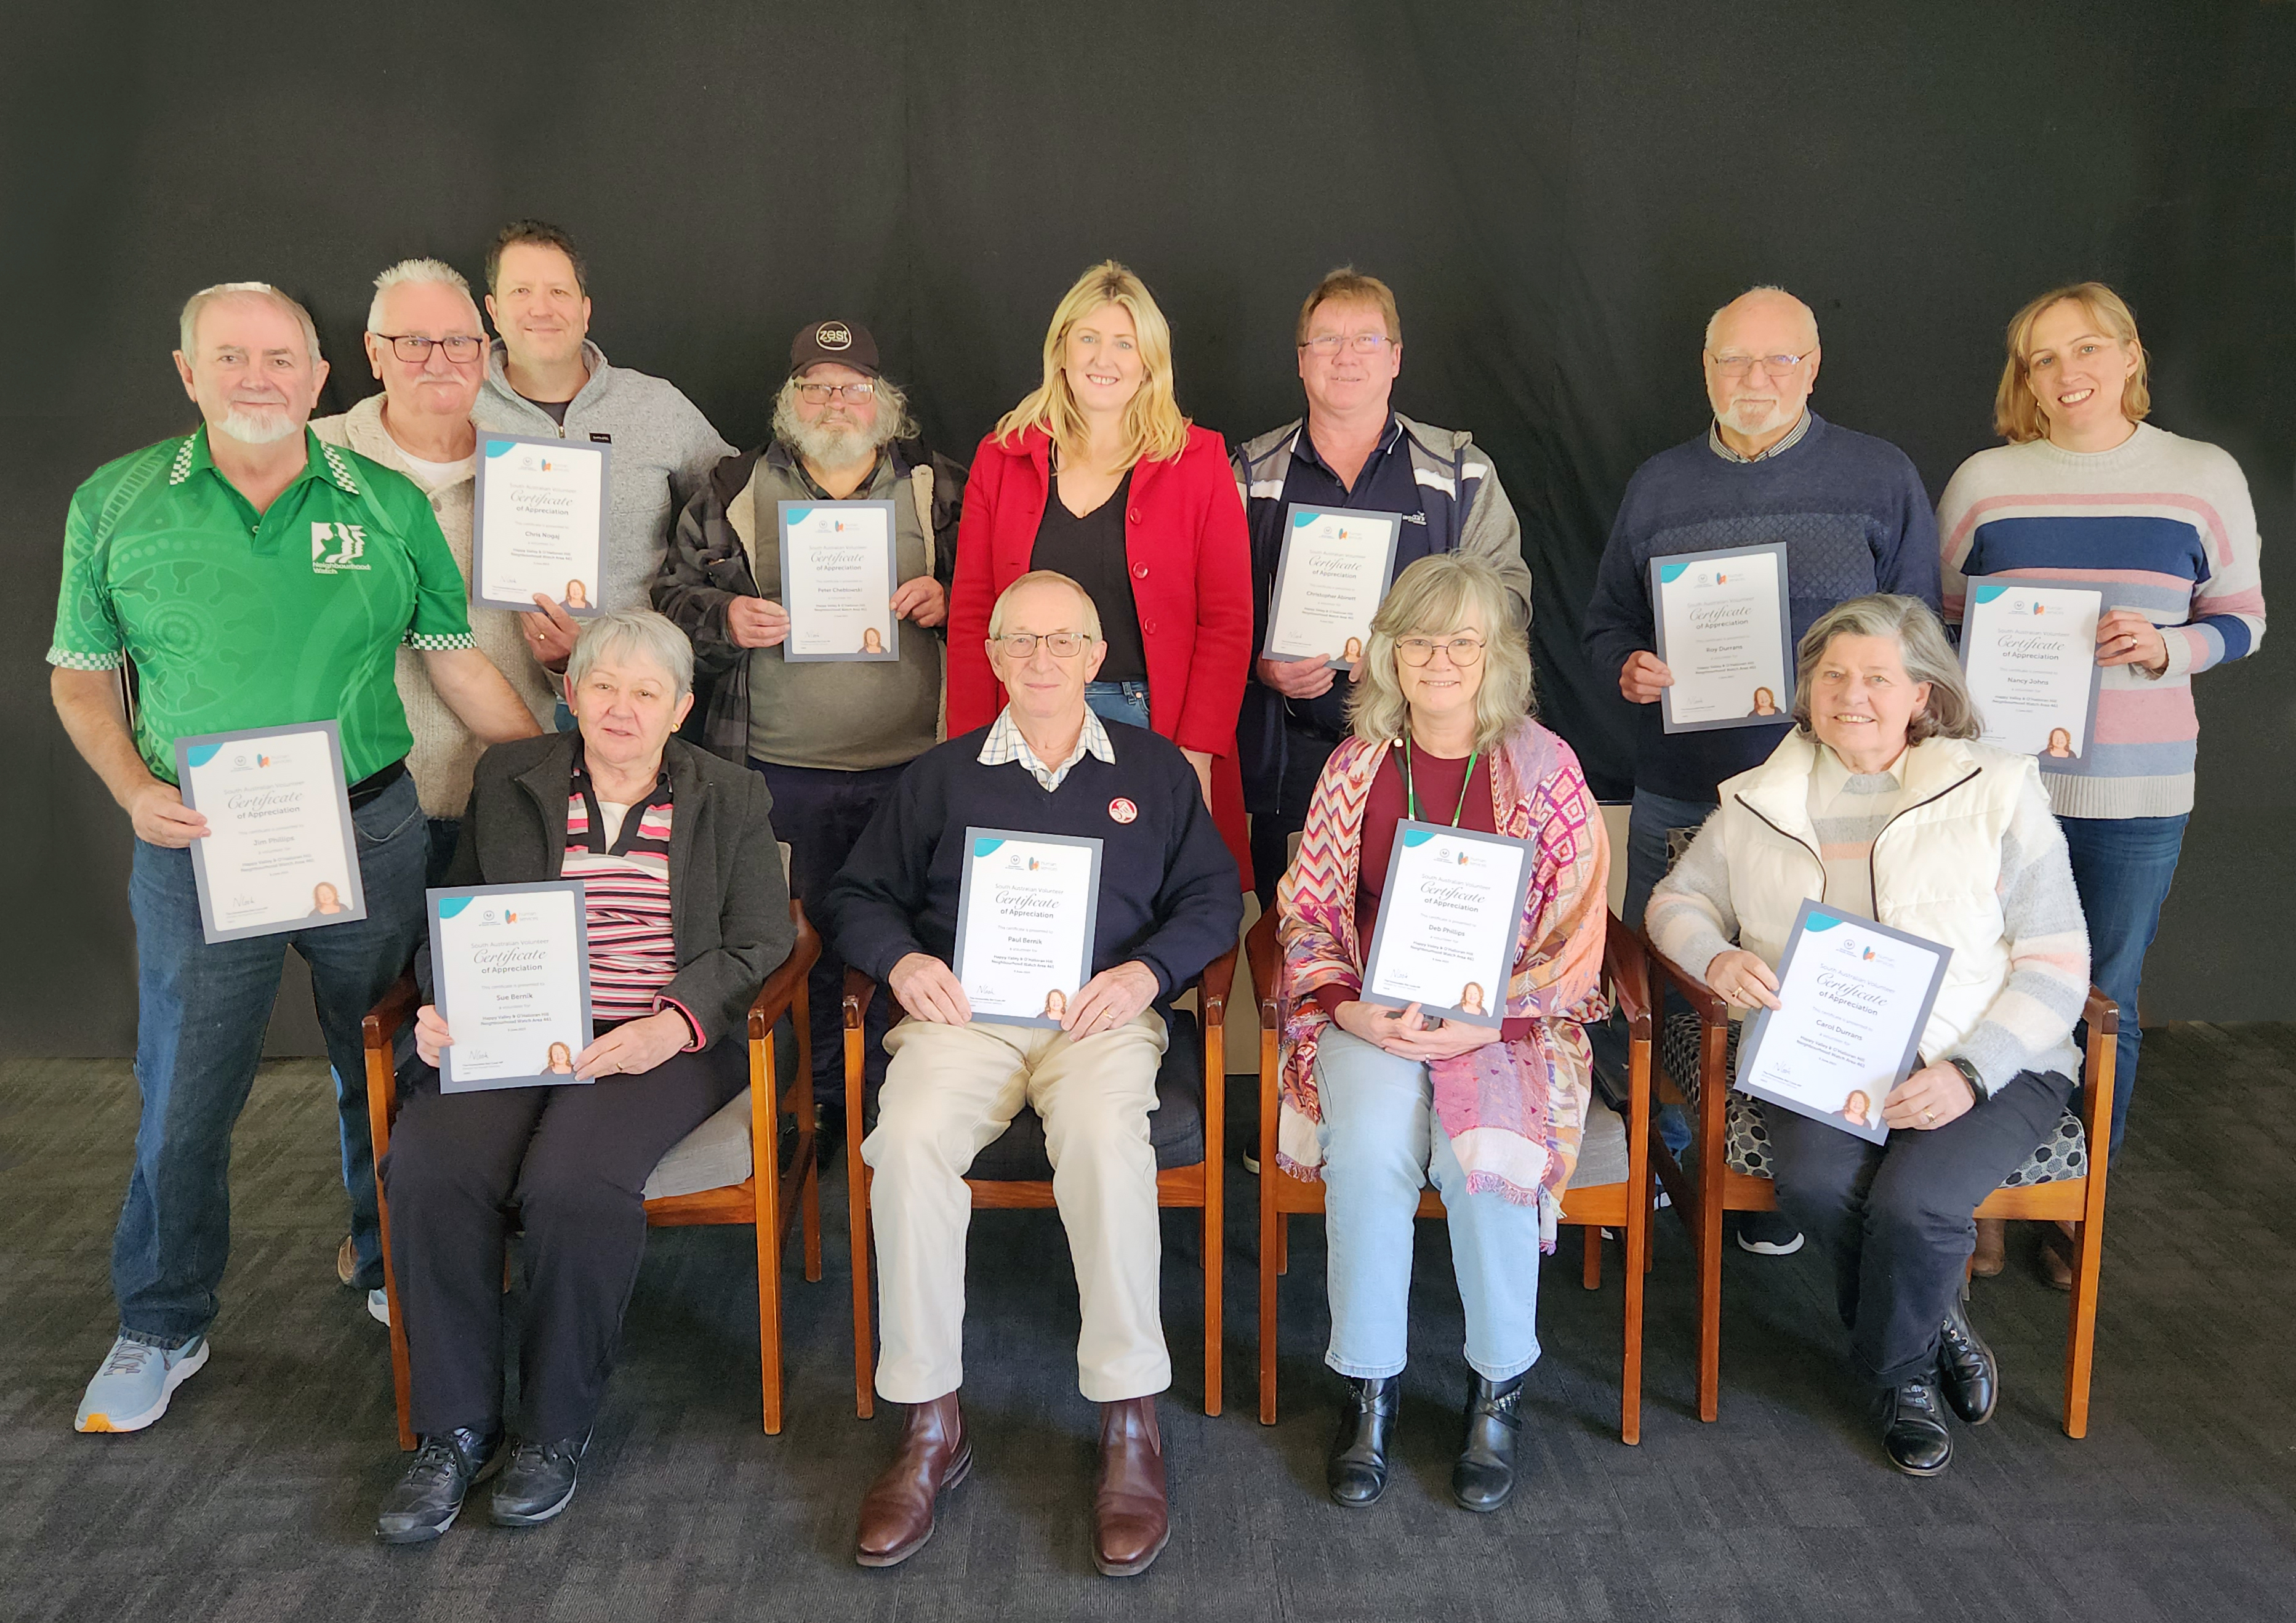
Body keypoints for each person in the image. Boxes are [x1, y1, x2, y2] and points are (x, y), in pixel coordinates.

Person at [52, 281, 544, 1432]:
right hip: (195, 841)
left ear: (324, 378)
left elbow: (457, 663)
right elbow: (81, 674)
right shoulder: (115, 502)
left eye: (282, 359)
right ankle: (160, 1321)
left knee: (381, 1067)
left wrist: (571, 770)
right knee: (183, 1092)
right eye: (232, 358)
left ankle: (390, 1267)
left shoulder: (383, 500)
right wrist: (133, 789)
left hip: (365, 830)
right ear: (188, 372)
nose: (258, 378)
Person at [824, 571, 1242, 1576]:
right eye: (1022, 641)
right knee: (910, 1138)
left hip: (1096, 1019)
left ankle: (1128, 1416)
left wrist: (1144, 974)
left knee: (1105, 1140)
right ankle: (930, 1418)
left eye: (1066, 641)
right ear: (993, 656)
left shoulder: (1157, 770)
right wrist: (905, 961)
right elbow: (855, 895)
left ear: (1099, 658)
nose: (1044, 659)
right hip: (964, 1020)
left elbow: (1215, 899)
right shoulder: (943, 774)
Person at [372, 609, 793, 1542]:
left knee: (572, 1182)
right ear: (570, 694)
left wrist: (673, 1023)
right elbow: (465, 911)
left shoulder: (730, 795)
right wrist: (444, 999)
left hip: (657, 1036)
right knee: (431, 1164)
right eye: (603, 686)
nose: (621, 707)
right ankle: (453, 1431)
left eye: (647, 692)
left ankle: (554, 1432)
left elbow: (763, 939)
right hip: (519, 1021)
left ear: (681, 708)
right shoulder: (509, 778)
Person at [1647, 595, 2091, 1476]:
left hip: (1989, 1057)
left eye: (1877, 678)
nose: (1851, 695)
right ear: (1807, 688)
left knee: (1912, 1206)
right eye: (1833, 675)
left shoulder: (1997, 787)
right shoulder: (1757, 797)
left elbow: (2056, 961)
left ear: (1921, 693)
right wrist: (1716, 958)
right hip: (1824, 1053)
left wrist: (1970, 1071)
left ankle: (1898, 1378)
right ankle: (1938, 1321)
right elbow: (1675, 902)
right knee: (1810, 1185)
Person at [1583, 284, 1941, 1256]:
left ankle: (1777, 1186)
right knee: (1666, 990)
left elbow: (1921, 643)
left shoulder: (1878, 475)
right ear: (1705, 371)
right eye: (1733, 362)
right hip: (1681, 791)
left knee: (1805, 990)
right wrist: (1628, 663)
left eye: (1776, 361)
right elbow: (1605, 620)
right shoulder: (1658, 485)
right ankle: (1669, 1167)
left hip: (1837, 805)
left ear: (1811, 368)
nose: (1753, 380)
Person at [1938, 282, 2265, 1284]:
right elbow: (1944, 624)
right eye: (2045, 357)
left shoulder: (2202, 476)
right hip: (2000, 792)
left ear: (2129, 354)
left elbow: (2245, 619)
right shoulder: (1986, 482)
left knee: (2103, 999)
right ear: (2025, 377)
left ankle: (2083, 1203)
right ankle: (1989, 1196)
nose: (2068, 372)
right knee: (1987, 988)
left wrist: (2168, 647)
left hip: (2136, 794)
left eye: (2087, 349)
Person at [1272, 553, 1609, 1512]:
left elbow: (1577, 936)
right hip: (1371, 1012)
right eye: (1416, 639)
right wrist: (1344, 1004)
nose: (1437, 658)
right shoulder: (1355, 768)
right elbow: (1307, 917)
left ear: (1495, 654)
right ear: (1385, 654)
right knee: (1373, 1146)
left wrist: (1483, 1020)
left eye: (1461, 640)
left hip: (1507, 1024)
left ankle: (1495, 1388)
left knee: (1483, 1158)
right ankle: (1368, 1387)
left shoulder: (1545, 768)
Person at [656, 319, 967, 1118]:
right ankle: (823, 1106)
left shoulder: (941, 487)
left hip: (918, 771)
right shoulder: (732, 489)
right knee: (799, 949)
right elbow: (669, 604)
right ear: (789, 400)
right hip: (775, 774)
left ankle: (911, 1110)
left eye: (852, 387)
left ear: (883, 401)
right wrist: (727, 619)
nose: (835, 403)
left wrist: (955, 604)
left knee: (922, 944)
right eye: (816, 387)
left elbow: (1012, 603)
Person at [944, 261, 1253, 885]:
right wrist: (971, 747)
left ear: (1149, 361)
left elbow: (1227, 620)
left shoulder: (1199, 459)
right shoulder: (1001, 455)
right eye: (1088, 338)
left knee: (1133, 904)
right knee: (1025, 897)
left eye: (1123, 342)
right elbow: (974, 612)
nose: (1103, 357)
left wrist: (1193, 752)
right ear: (1061, 351)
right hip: (1022, 713)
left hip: (1147, 720)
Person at [1234, 268, 1532, 906]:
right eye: (1327, 341)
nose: (1345, 356)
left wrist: (1423, 656)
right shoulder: (1248, 473)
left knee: (1427, 925)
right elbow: (1210, 607)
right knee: (1301, 933)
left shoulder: (1459, 470)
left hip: (1429, 754)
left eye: (1366, 340)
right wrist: (1259, 664)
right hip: (1291, 761)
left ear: (1395, 358)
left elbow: (1508, 596)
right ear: (1300, 360)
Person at [314, 257, 558, 880]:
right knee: (373, 982)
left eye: (459, 341)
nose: (439, 359)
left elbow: (571, 635)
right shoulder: (308, 462)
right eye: (413, 341)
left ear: (483, 351)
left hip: (498, 799)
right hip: (348, 800)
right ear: (373, 351)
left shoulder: (542, 471)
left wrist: (564, 656)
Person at [472, 220, 733, 696]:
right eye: (521, 291)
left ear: (585, 310)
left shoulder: (656, 405)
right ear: (491, 310)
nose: (542, 308)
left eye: (559, 291)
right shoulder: (458, 407)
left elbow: (737, 499)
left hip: (635, 694)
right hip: (497, 694)